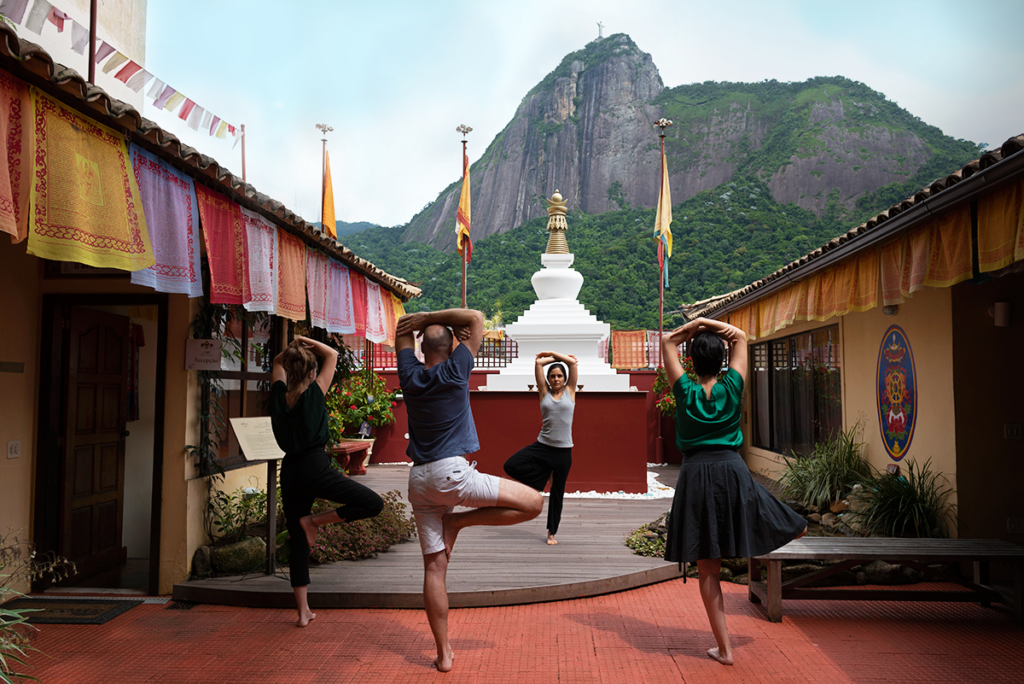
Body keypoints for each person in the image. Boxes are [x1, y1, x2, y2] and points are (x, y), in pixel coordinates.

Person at [396, 308, 543, 673]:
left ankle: (444, 653)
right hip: (452, 474)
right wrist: (429, 317)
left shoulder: (409, 375)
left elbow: (400, 333)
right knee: (535, 503)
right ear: (451, 348)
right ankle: (458, 524)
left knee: (434, 570)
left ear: (422, 347)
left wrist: (414, 327)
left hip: (419, 483)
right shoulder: (456, 370)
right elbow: (476, 318)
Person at [661, 318, 806, 666]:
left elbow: (668, 341)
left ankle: (724, 648)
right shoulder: (731, 388)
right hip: (731, 468)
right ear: (722, 361)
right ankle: (792, 526)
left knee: (708, 568)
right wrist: (705, 323)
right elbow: (740, 336)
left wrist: (690, 327)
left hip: (696, 473)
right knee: (757, 506)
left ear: (692, 361)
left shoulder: (685, 391)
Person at [269, 335, 384, 628]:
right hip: (315, 466)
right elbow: (331, 354)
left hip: (290, 470)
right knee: (372, 503)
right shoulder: (314, 393)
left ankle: (303, 612)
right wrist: (302, 341)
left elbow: (276, 362)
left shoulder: (278, 395)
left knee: (297, 541)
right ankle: (315, 522)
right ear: (310, 373)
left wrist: (292, 350)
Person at [503, 351, 578, 545]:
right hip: (542, 446)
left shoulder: (570, 391)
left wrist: (552, 354)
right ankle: (543, 478)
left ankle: (551, 532)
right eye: (552, 376)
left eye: (559, 376)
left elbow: (573, 363)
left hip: (563, 452)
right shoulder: (543, 392)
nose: (556, 379)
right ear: (548, 378)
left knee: (557, 494)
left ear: (565, 378)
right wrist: (551, 360)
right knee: (511, 465)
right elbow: (538, 364)